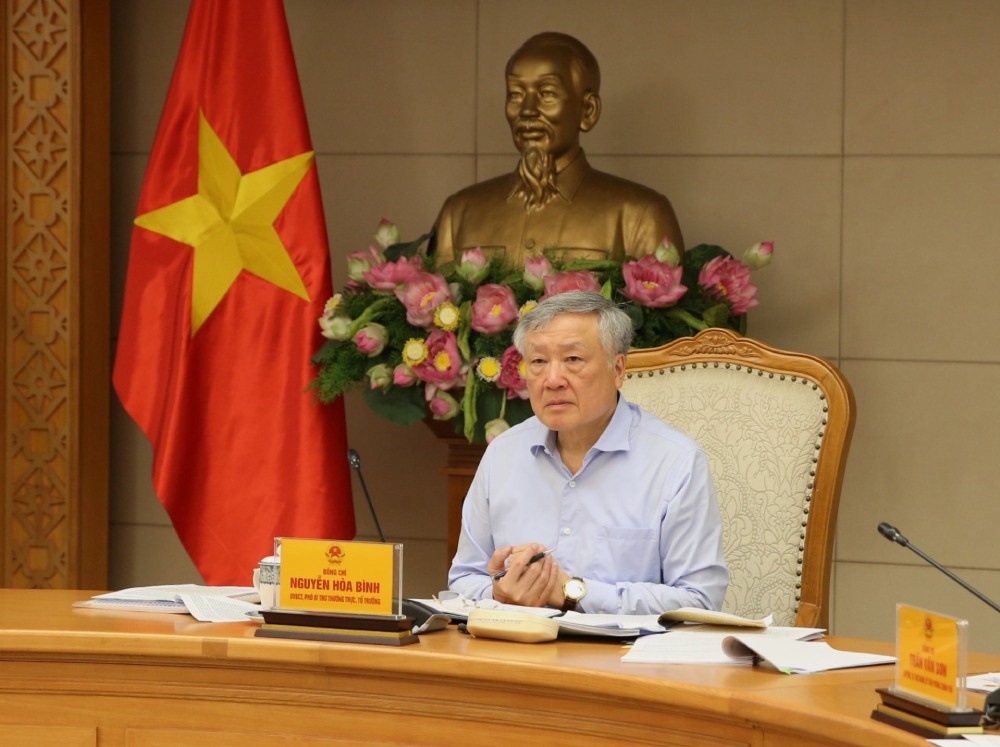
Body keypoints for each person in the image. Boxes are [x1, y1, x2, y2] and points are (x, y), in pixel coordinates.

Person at [447, 291, 728, 614]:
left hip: (623, 659)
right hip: (518, 656)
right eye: (538, 362)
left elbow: (700, 601)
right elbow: (463, 580)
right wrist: (499, 593)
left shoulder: (675, 462)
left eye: (573, 360)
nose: (552, 380)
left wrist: (571, 592)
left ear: (618, 369)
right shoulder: (504, 455)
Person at [431, 32, 684, 269]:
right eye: (516, 94)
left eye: (547, 93)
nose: (527, 110)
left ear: (588, 111)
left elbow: (661, 314)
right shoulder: (460, 213)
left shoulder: (641, 215)